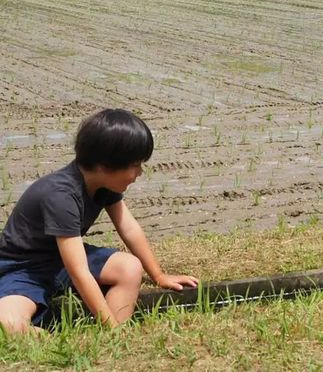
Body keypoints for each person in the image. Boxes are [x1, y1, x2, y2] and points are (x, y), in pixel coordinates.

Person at [0, 109, 198, 334]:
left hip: (61, 261)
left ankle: (112, 338)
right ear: (105, 165)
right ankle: (95, 334)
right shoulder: (61, 196)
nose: (140, 172)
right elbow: (79, 272)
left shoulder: (102, 183)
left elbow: (128, 227)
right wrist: (110, 325)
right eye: (135, 165)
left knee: (130, 267)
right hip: (24, 270)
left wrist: (159, 276)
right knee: (9, 323)